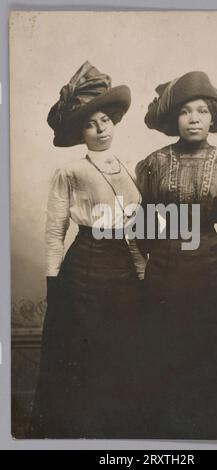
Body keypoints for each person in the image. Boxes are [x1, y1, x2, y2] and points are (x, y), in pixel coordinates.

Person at [28, 61, 145, 438]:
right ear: (81, 132)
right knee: (86, 350)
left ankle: (117, 430)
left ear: (113, 120)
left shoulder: (127, 168)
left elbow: (135, 226)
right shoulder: (70, 172)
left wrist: (143, 270)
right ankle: (82, 431)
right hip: (86, 268)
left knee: (121, 347)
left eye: (105, 121)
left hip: (123, 269)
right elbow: (54, 230)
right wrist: (52, 279)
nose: (101, 129)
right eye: (91, 124)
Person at [136, 71, 217, 439]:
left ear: (213, 117)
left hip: (211, 267)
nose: (194, 119)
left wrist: (213, 260)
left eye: (202, 111)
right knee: (164, 346)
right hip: (165, 267)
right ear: (174, 119)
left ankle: (216, 434)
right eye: (186, 112)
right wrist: (160, 258)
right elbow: (142, 222)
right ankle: (165, 433)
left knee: (210, 349)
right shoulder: (152, 163)